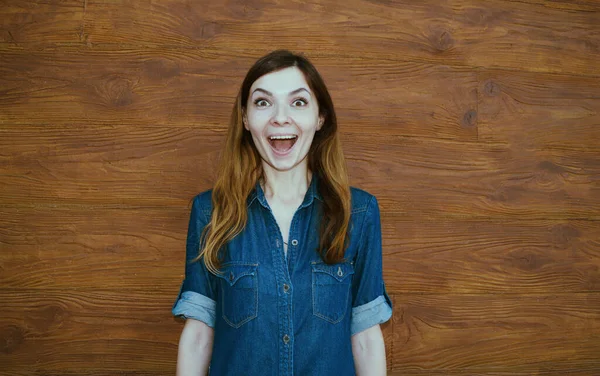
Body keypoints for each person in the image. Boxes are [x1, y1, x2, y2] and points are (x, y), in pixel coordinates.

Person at [172, 50, 393, 376]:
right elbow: (198, 336)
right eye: (263, 102)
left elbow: (365, 338)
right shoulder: (210, 212)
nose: (280, 117)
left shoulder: (358, 213)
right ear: (246, 119)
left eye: (298, 102)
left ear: (320, 118)